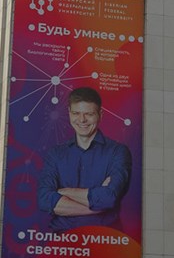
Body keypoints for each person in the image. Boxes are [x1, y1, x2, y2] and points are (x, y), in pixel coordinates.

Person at [36, 87, 132, 232]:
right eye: (76, 113)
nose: (82, 120)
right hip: (60, 243)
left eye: (89, 114)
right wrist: (96, 207)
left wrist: (63, 191)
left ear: (100, 114)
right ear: (69, 113)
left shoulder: (118, 152)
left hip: (105, 243)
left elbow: (108, 198)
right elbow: (44, 199)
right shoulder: (55, 154)